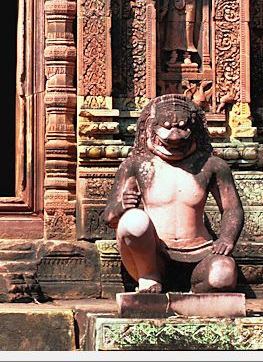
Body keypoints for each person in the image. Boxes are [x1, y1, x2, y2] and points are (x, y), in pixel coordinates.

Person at [102, 94, 244, 293]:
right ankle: (149, 277)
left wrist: (226, 238)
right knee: (134, 220)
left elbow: (232, 209)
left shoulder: (211, 165)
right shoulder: (137, 165)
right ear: (150, 128)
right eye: (167, 127)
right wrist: (122, 206)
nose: (175, 136)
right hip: (154, 255)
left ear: (194, 129)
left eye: (182, 127)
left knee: (223, 275)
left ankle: (196, 291)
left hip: (201, 252)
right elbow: (108, 218)